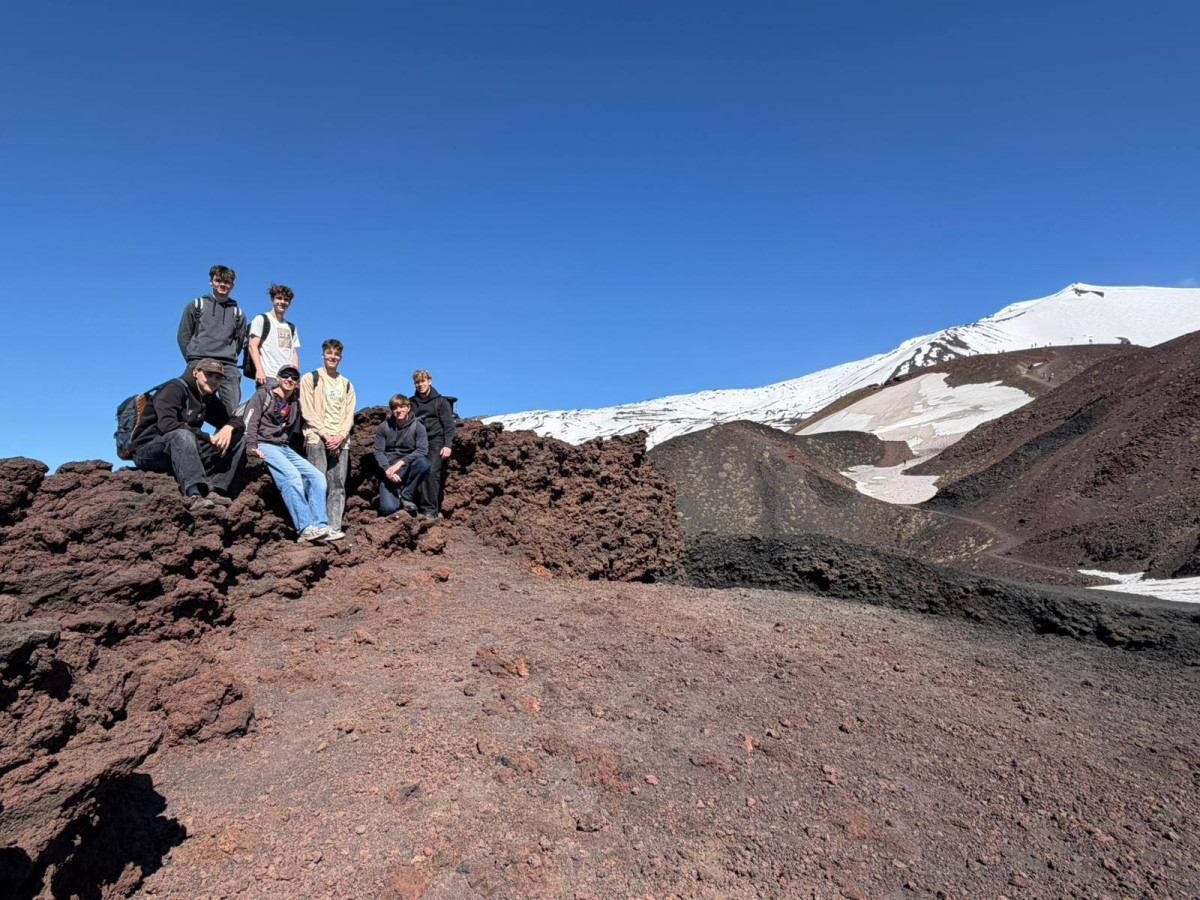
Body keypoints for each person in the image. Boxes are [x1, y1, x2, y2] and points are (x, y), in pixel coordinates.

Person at [130, 358, 246, 511]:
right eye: (209, 375)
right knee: (182, 435)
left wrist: (228, 427)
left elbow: (236, 421)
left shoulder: (207, 397)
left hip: (184, 449)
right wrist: (207, 437)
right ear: (196, 373)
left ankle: (214, 489)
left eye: (218, 378)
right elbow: (167, 425)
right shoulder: (173, 388)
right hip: (149, 452)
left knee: (238, 437)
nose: (213, 380)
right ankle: (194, 495)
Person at [244, 365, 334, 542]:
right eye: (285, 376)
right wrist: (251, 446)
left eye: (294, 377)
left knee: (317, 476)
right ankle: (305, 528)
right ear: (278, 378)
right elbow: (250, 421)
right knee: (291, 476)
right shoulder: (264, 395)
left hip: (284, 447)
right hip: (265, 443)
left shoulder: (294, 402)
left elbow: (296, 426)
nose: (289, 379)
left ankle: (320, 526)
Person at [301, 339, 356, 540]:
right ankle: (317, 526)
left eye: (337, 354)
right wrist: (326, 434)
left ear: (341, 358)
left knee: (337, 485)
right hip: (317, 437)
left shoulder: (346, 384)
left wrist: (340, 436)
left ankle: (334, 527)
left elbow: (349, 415)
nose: (333, 357)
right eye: (329, 353)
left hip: (341, 440)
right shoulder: (311, 378)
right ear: (322, 355)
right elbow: (307, 410)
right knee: (317, 482)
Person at [176, 264, 247, 416]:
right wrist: (193, 358)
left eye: (227, 282)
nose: (222, 284)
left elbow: (239, 342)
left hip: (227, 366)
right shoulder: (196, 305)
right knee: (189, 406)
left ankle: (226, 431)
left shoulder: (238, 313)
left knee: (232, 411)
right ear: (211, 282)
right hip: (199, 361)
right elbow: (183, 335)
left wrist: (228, 356)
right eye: (218, 280)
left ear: (232, 285)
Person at [410, 369, 455, 520]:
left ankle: (430, 511)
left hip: (436, 441)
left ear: (429, 381)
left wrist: (447, 445)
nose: (420, 384)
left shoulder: (440, 402)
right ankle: (415, 508)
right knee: (416, 471)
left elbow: (449, 425)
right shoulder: (411, 403)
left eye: (423, 381)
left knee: (430, 471)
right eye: (417, 382)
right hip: (418, 443)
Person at [374, 394, 430, 516]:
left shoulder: (418, 427)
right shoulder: (384, 427)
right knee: (388, 509)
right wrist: (388, 469)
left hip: (408, 467)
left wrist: (400, 463)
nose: (398, 410)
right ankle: (397, 497)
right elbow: (378, 451)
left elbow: (422, 450)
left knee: (424, 463)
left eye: (402, 407)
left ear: (408, 408)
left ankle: (407, 495)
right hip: (390, 470)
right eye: (395, 408)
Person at [247, 283, 301, 389]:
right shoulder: (261, 319)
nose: (282, 302)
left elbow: (293, 353)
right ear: (273, 299)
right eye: (279, 298)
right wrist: (259, 370)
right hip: (268, 375)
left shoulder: (291, 327)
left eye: (286, 300)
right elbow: (252, 346)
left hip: (287, 378)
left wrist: (296, 376)